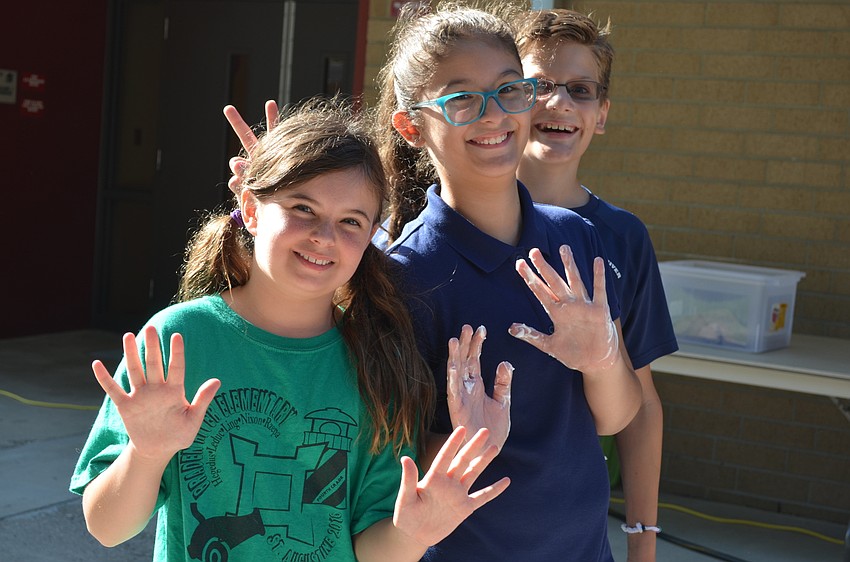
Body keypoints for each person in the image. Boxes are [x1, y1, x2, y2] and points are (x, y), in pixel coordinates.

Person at [69, 97, 512, 561]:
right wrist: (146, 453)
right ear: (252, 208)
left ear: (371, 236)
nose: (324, 235)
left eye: (351, 221)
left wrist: (414, 533)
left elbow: (373, 551)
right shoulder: (180, 340)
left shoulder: (380, 363)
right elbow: (106, 527)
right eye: (303, 208)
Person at [375, 3, 642, 560]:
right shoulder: (403, 276)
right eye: (462, 99)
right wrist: (464, 445)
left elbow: (615, 417)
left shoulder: (578, 241)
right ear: (411, 127)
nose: (493, 115)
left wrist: (601, 357)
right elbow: (391, 464)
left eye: (509, 90)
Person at [515, 9, 679, 561]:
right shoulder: (447, 226)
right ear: (507, 97)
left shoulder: (621, 237)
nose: (559, 103)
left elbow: (642, 405)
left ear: (602, 114)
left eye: (581, 90)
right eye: (539, 86)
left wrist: (643, 542)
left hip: (575, 539)